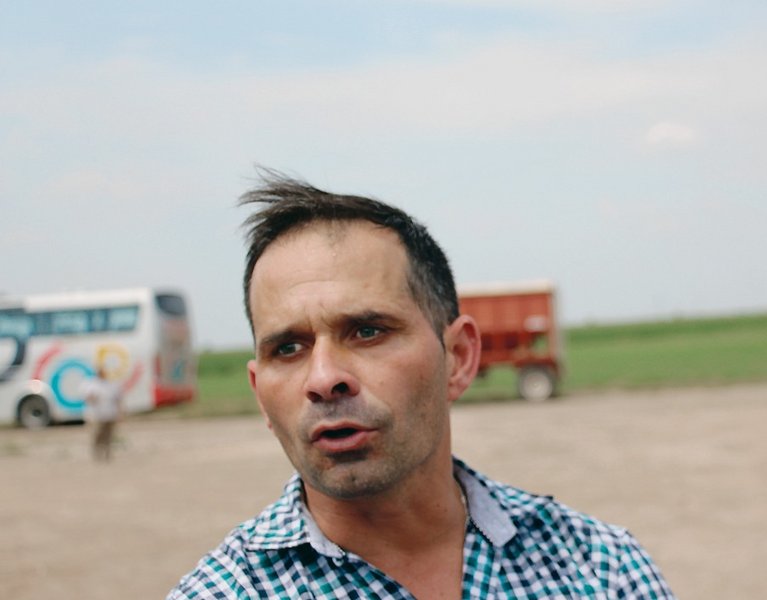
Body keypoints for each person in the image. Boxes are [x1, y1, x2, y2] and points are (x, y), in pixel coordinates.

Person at [168, 170, 675, 599]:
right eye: (288, 348)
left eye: (367, 331)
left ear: (457, 357)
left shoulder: (600, 572)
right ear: (259, 393)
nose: (323, 379)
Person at [80, 364, 122, 461]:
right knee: (98, 434)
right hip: (98, 415)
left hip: (110, 414)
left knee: (109, 435)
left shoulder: (110, 385)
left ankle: (107, 453)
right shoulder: (92, 385)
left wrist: (120, 412)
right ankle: (97, 452)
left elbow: (117, 399)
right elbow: (87, 398)